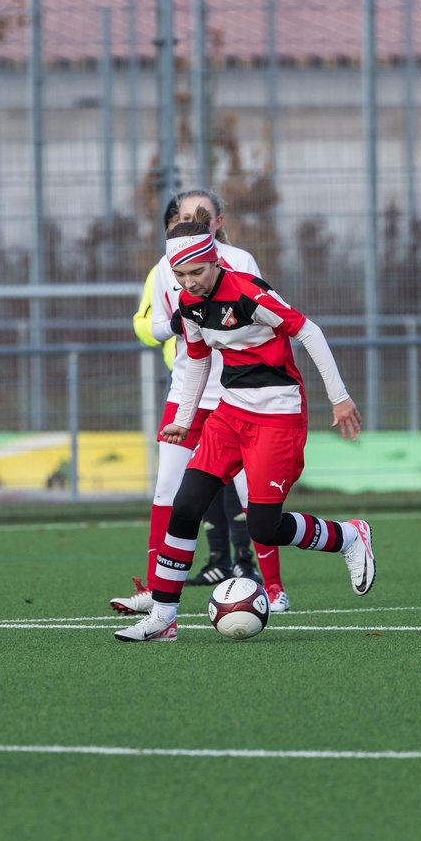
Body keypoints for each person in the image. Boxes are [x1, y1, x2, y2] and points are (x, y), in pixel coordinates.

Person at [114, 216, 375, 642]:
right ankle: (163, 619)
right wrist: (183, 419)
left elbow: (308, 331)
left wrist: (339, 397)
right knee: (185, 506)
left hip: (277, 417)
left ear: (214, 259)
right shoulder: (189, 304)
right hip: (229, 416)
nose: (190, 282)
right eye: (180, 275)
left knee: (262, 527)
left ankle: (348, 536)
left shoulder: (249, 292)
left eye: (196, 272)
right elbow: (198, 359)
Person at [110, 189, 272, 619]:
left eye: (201, 214)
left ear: (218, 220)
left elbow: (268, 321)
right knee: (168, 489)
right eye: (183, 215)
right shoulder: (164, 268)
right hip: (187, 391)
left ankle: (272, 587)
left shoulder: (240, 262)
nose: (192, 220)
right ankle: (153, 592)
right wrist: (174, 325)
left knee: (251, 497)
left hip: (239, 395)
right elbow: (156, 326)